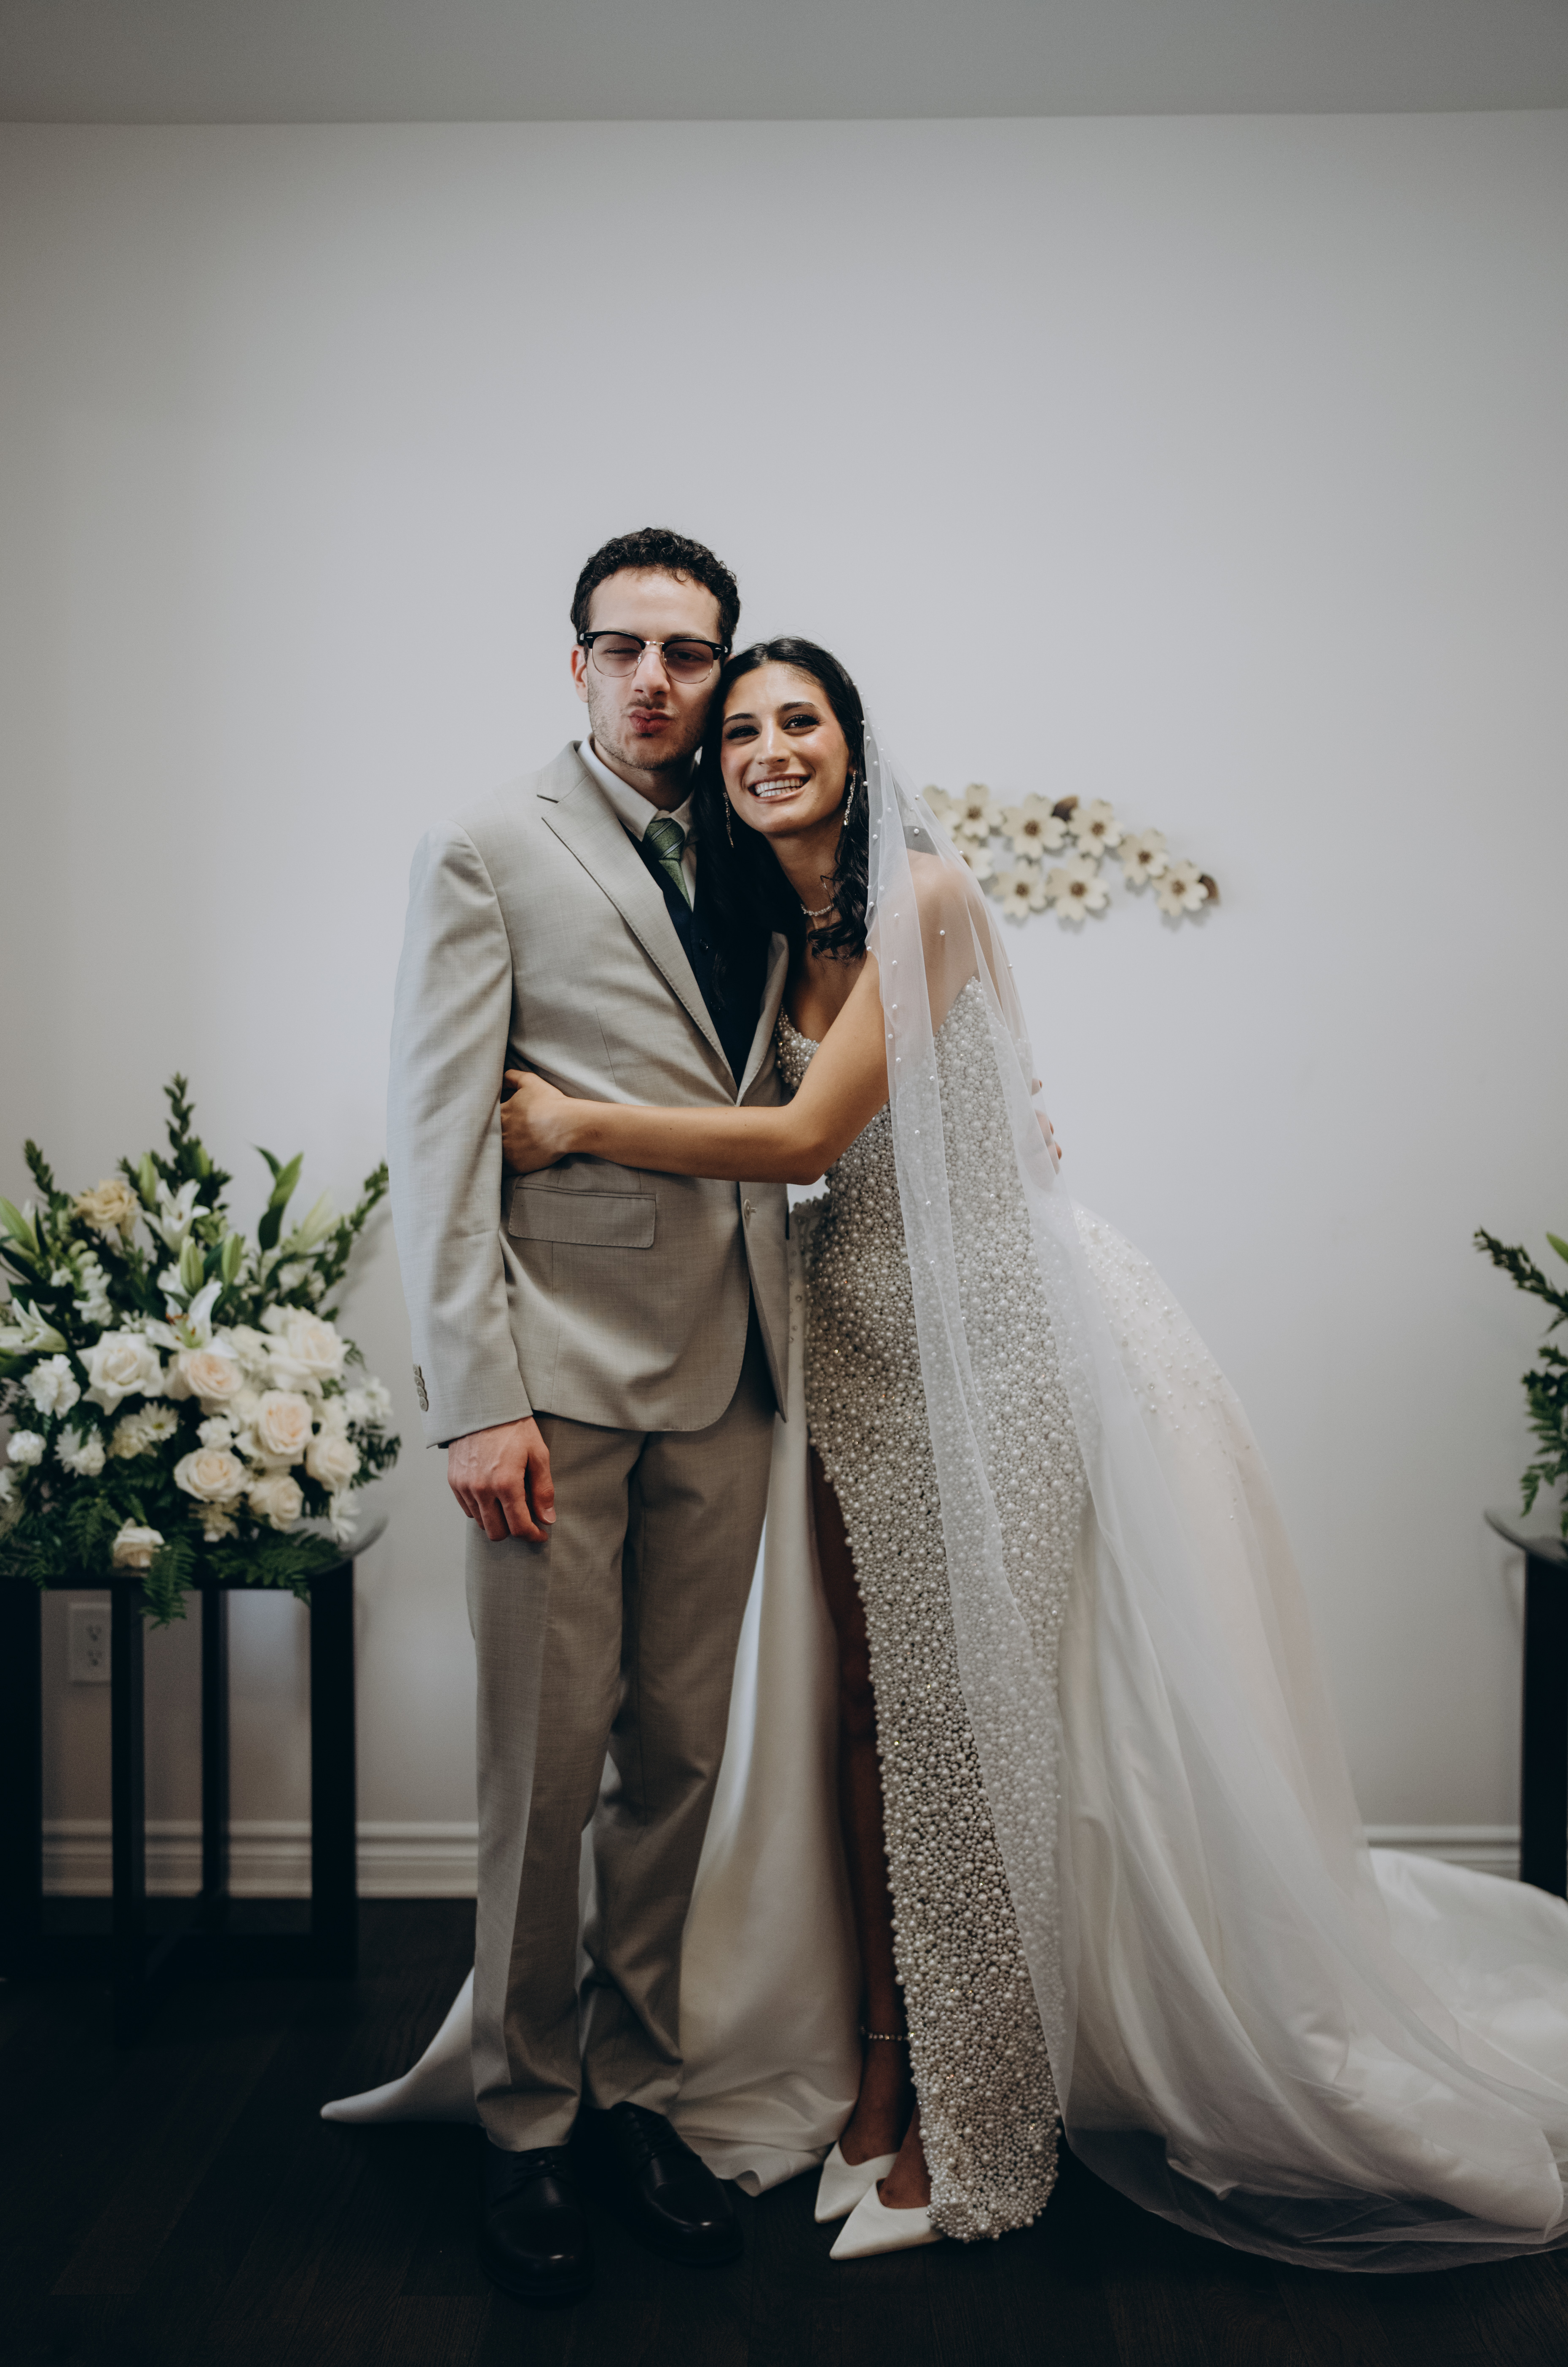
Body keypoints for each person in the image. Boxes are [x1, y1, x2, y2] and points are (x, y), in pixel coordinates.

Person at [499, 635, 1568, 2272]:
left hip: (985, 1339)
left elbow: (803, 1136)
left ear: (854, 746)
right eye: (746, 730)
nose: (771, 747)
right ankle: (877, 2079)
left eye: (802, 721)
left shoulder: (927, 896)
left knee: (967, 1730)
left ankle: (975, 2117)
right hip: (848, 1344)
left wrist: (572, 1123)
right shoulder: (765, 940)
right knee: (865, 1719)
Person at [385, 529, 796, 2304]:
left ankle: (639, 2099)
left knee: (678, 1766)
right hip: (550, 1386)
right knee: (540, 1778)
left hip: (738, 1372)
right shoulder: (490, 846)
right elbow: (436, 1139)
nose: (655, 680)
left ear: (722, 669)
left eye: (687, 653)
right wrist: (475, 1401)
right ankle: (525, 2122)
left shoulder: (772, 840)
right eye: (622, 648)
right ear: (577, 663)